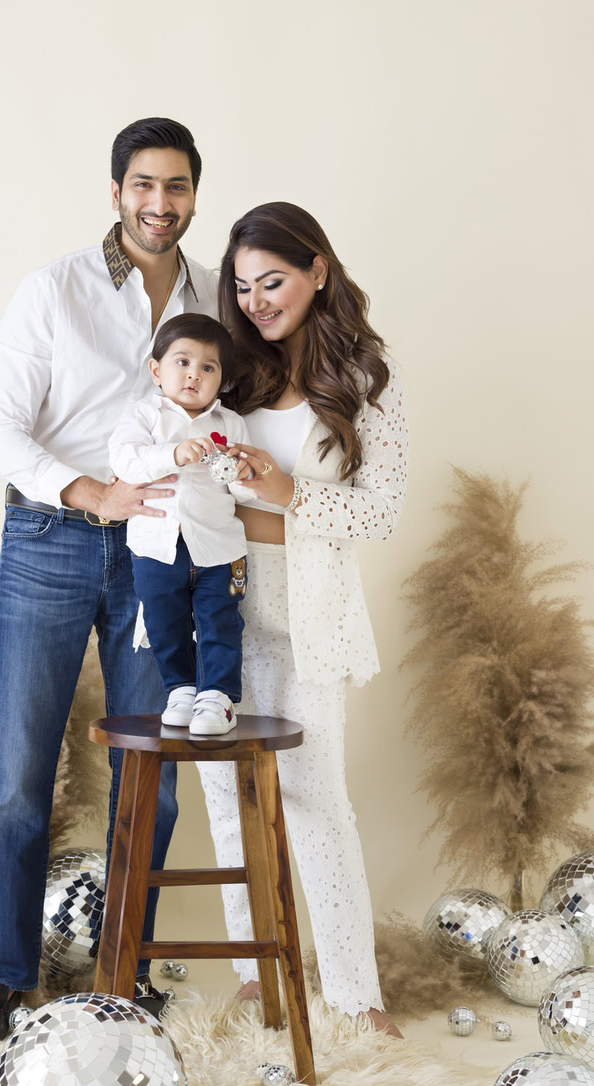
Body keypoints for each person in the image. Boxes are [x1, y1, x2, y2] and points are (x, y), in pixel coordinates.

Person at [0, 117, 218, 1047]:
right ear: (116, 192)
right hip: (50, 541)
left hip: (162, 556)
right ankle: (2, 976)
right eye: (144, 185)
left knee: (151, 770)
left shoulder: (209, 295)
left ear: (194, 195)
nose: (160, 204)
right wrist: (89, 489)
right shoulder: (53, 289)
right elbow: (1, 431)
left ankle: (127, 971)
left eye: (177, 187)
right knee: (23, 770)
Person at [197, 202, 409, 1038]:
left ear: (318, 268)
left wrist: (290, 495)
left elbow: (382, 511)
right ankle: (256, 978)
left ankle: (357, 997)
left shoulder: (366, 377)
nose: (255, 300)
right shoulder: (231, 372)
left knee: (319, 800)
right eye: (242, 286)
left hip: (310, 610)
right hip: (225, 603)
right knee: (228, 797)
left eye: (272, 281)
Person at [109, 313, 252, 734]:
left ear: (222, 380)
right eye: (182, 362)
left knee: (220, 619)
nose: (194, 375)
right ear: (156, 371)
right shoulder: (144, 415)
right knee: (163, 619)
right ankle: (182, 688)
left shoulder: (230, 424)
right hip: (156, 546)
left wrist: (243, 477)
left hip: (218, 547)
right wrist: (172, 454)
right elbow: (124, 460)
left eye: (208, 367)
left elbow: (241, 494)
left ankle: (217, 697)